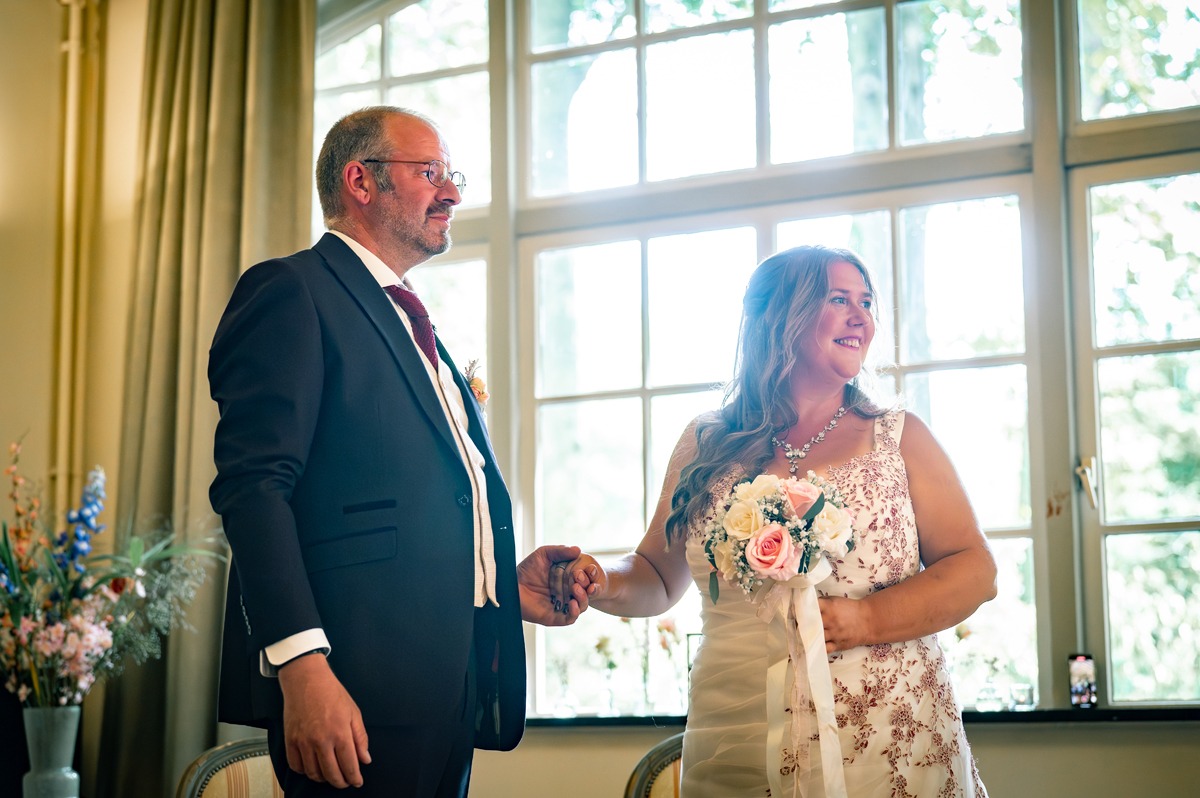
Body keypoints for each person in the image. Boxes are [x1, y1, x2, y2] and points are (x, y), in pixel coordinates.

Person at [208, 106, 593, 797]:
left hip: (446, 688)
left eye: (451, 176)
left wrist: (499, 585)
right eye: (430, 173)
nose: (451, 194)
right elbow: (254, 488)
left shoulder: (412, 320)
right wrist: (302, 666)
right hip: (353, 689)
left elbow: (407, 502)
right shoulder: (292, 292)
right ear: (361, 181)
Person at [556, 245, 997, 796]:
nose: (861, 318)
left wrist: (866, 620)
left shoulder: (898, 437)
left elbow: (976, 570)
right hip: (736, 734)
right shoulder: (704, 442)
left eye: (866, 302)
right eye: (838, 300)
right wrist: (600, 580)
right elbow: (657, 574)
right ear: (778, 316)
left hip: (886, 738)